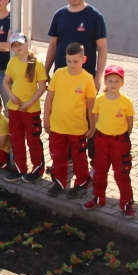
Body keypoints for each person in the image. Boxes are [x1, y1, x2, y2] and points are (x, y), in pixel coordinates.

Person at [44, 0, 108, 165]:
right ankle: (67, 159)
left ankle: (90, 160)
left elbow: (102, 48)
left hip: (85, 78)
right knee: (64, 114)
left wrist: (98, 76)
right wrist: (45, 71)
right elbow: (53, 45)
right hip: (62, 77)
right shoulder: (59, 15)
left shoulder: (95, 16)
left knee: (87, 116)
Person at [42, 42, 96, 197]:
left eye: (76, 61)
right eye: (69, 61)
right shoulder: (58, 73)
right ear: (65, 59)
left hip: (77, 128)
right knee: (58, 156)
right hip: (57, 126)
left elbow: (91, 106)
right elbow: (49, 98)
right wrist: (46, 120)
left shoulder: (87, 79)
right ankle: (59, 182)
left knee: (79, 158)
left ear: (83, 59)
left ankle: (81, 183)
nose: (72, 65)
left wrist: (92, 126)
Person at [85, 65, 136, 218]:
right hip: (101, 140)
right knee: (99, 171)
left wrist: (123, 136)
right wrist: (95, 131)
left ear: (122, 83)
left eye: (117, 81)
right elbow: (95, 116)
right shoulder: (99, 99)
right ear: (105, 82)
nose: (113, 83)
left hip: (119, 142)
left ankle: (127, 203)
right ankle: (98, 197)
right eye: (110, 80)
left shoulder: (126, 101)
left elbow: (130, 122)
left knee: (121, 173)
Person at [2, 34, 48, 183]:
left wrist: (29, 103)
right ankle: (19, 168)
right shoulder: (12, 61)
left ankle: (37, 169)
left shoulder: (37, 64)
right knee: (16, 139)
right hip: (14, 108)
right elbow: (6, 82)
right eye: (14, 45)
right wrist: (10, 95)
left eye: (20, 44)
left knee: (33, 139)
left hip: (31, 109)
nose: (17, 47)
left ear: (27, 44)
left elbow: (42, 87)